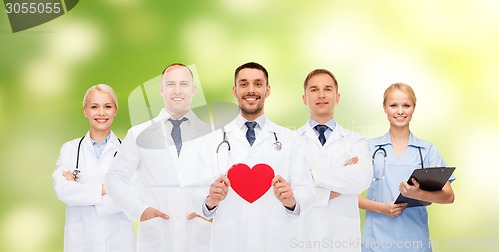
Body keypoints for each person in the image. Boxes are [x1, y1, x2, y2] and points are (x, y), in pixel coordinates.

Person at [200, 62, 315, 252]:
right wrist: (210, 200)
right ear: (235, 91)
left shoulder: (290, 139)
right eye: (244, 84)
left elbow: (307, 191)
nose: (251, 90)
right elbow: (196, 192)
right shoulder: (213, 140)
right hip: (229, 243)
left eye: (258, 84)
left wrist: (292, 201)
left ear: (267, 90)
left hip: (275, 242)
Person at [105, 63, 212, 251]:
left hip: (199, 235)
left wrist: (211, 212)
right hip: (156, 236)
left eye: (184, 84)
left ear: (193, 90)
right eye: (171, 84)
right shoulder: (138, 134)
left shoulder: (212, 134)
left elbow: (227, 181)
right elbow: (114, 178)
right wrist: (140, 211)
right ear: (161, 90)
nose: (177, 90)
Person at [358, 83, 455, 252]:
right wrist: (382, 208)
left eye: (406, 106)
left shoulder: (427, 151)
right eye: (393, 105)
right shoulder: (368, 148)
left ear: (413, 108)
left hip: (415, 242)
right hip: (377, 242)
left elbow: (448, 196)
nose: (400, 111)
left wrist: (417, 194)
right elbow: (350, 196)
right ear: (385, 108)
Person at [293, 69, 373, 251]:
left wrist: (311, 176)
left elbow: (362, 178)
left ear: (337, 97)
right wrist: (334, 189)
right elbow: (290, 189)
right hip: (302, 238)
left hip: (342, 240)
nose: (321, 95)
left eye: (327, 89)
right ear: (304, 98)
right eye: (314, 90)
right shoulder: (289, 141)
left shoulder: (355, 140)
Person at [52, 84, 135, 252]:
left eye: (108, 106)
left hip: (118, 242)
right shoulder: (70, 149)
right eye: (94, 107)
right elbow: (62, 189)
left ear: (115, 111)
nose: (101, 113)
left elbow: (131, 195)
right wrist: (105, 189)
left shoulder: (129, 150)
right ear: (85, 111)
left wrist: (79, 191)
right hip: (81, 243)